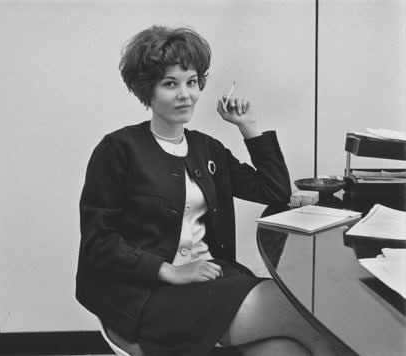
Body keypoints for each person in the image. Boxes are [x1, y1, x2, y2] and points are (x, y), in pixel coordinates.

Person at [76, 25, 339, 356]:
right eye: (170, 84)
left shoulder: (206, 149)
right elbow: (99, 242)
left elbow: (274, 192)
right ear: (148, 90)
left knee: (287, 350)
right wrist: (169, 270)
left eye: (192, 82)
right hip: (152, 295)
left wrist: (249, 127)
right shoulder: (119, 149)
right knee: (316, 330)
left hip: (213, 282)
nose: (185, 94)